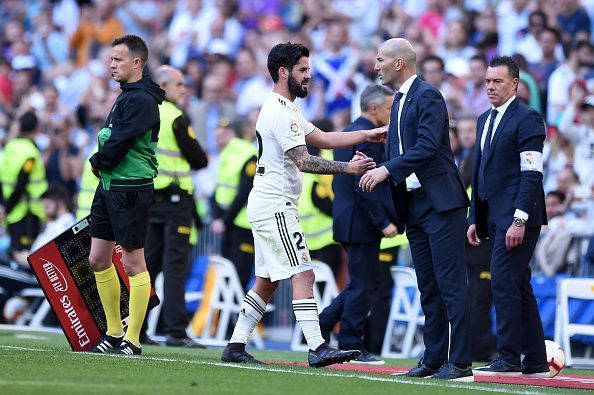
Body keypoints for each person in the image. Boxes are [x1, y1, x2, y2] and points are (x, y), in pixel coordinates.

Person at [220, 42, 387, 368]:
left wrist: (366, 136)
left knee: (267, 281)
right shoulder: (281, 112)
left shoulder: (284, 108)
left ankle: (236, 345)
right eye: (303, 70)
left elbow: (323, 138)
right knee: (304, 273)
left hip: (268, 202)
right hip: (276, 205)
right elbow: (304, 161)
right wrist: (349, 168)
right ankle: (317, 347)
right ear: (284, 72)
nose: (309, 76)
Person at [360, 38, 472, 381]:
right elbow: (404, 148)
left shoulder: (428, 95)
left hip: (441, 204)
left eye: (380, 59)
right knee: (428, 286)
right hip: (416, 205)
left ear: (398, 63)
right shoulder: (399, 101)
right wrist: (376, 160)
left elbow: (426, 146)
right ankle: (434, 358)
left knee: (451, 283)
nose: (375, 65)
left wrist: (386, 169)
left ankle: (462, 362)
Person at [467, 56, 549, 377]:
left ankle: (509, 357)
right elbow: (479, 171)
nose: (490, 87)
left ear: (515, 83)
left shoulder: (528, 118)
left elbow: (531, 175)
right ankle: (536, 360)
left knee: (503, 280)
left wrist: (519, 220)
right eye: (487, 81)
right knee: (518, 283)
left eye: (497, 81)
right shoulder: (483, 119)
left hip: (519, 218)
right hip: (494, 218)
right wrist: (475, 216)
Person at [86, 35, 165, 356]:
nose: (111, 64)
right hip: (109, 187)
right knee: (97, 259)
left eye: (118, 59)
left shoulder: (142, 100)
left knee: (133, 263)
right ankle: (114, 332)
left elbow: (119, 141)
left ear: (137, 63)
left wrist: (97, 161)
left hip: (130, 189)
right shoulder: (128, 96)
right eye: (110, 58)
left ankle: (133, 340)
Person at [319, 83, 399, 365]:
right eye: (389, 108)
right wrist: (383, 221)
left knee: (365, 282)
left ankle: (324, 323)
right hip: (361, 219)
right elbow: (364, 184)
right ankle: (351, 343)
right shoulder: (368, 137)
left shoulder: (349, 131)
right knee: (363, 284)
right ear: (374, 108)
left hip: (349, 218)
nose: (392, 113)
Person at [143, 65, 208, 348]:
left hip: (149, 199)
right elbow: (200, 159)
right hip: (175, 201)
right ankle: (176, 331)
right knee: (175, 267)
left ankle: (138, 327)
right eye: (180, 85)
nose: (184, 90)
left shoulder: (143, 111)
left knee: (147, 267)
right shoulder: (176, 117)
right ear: (165, 86)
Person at [211, 118, 256, 291]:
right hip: (229, 224)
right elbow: (218, 189)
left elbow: (243, 193)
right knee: (233, 278)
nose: (218, 142)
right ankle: (229, 317)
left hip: (242, 224)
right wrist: (219, 219)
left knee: (238, 276)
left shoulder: (247, 154)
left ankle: (237, 317)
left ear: (232, 134)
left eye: (221, 137)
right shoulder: (227, 154)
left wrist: (222, 220)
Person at [0, 112, 48, 259]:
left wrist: (3, 205)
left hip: (10, 210)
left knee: (14, 250)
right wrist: (7, 209)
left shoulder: (10, 146)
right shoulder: (30, 152)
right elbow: (22, 182)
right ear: (36, 128)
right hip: (26, 211)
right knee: (25, 254)